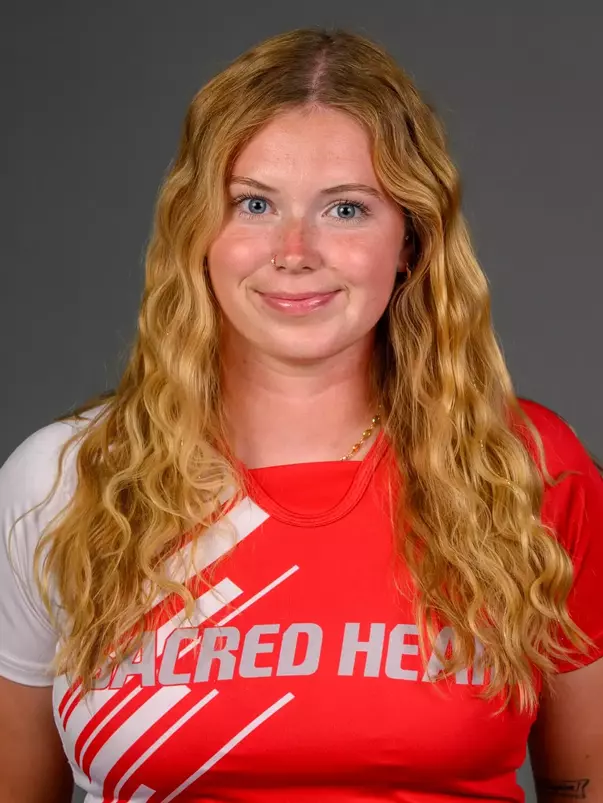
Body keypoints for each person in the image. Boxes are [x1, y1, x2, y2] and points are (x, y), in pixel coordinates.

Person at [0, 26, 601, 803]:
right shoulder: (65, 481)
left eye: (345, 209)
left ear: (409, 239)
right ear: (197, 231)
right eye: (253, 203)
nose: (294, 250)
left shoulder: (522, 465)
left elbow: (582, 782)